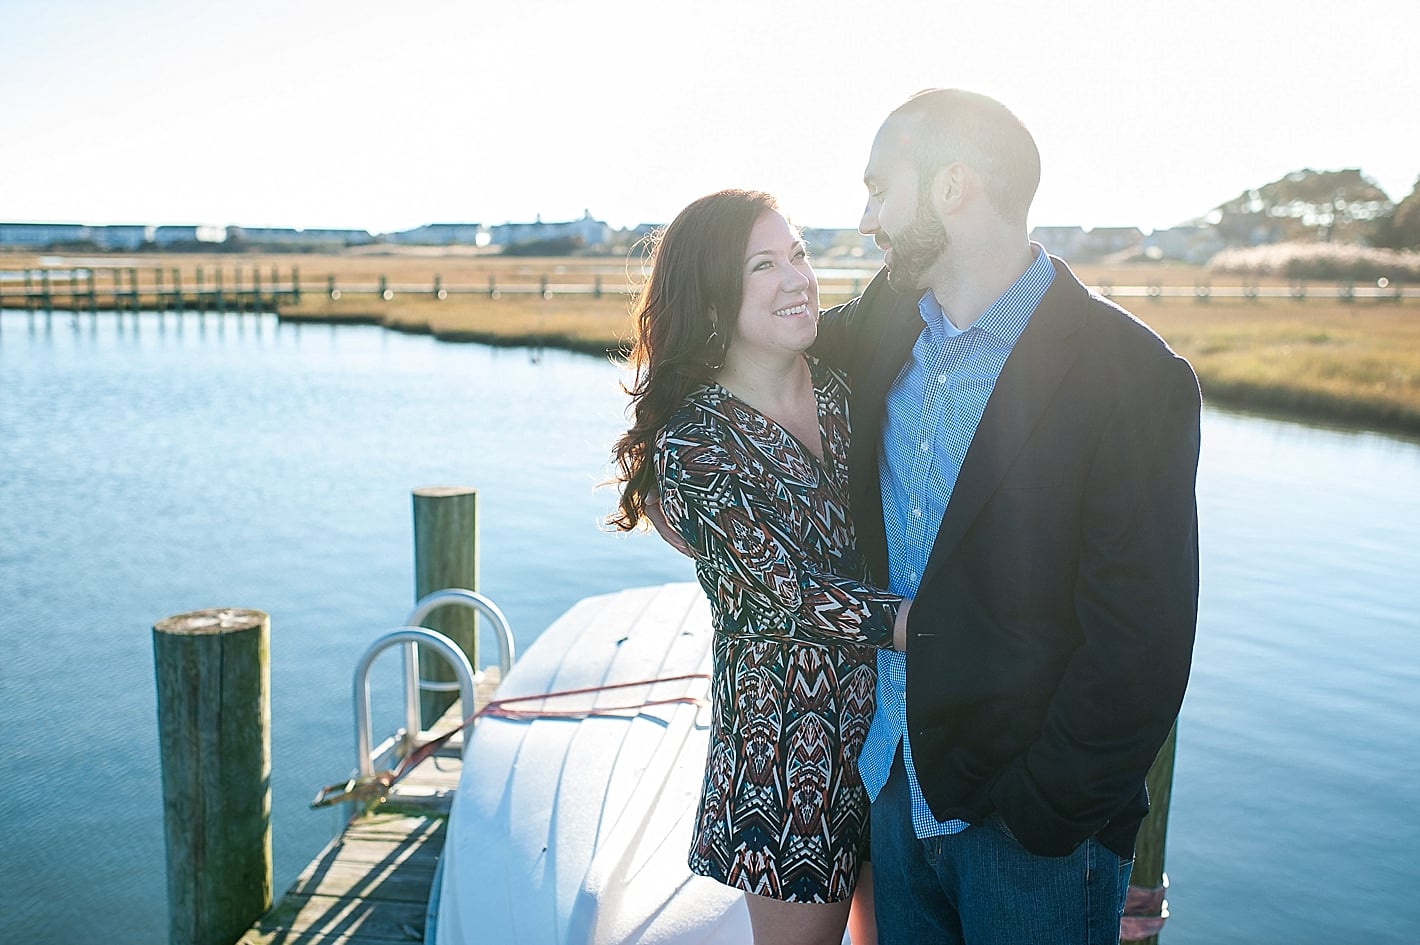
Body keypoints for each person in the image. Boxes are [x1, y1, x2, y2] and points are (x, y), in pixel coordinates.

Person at [808, 88, 1203, 944]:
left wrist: (1044, 812)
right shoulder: (881, 323)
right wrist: (669, 465)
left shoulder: (1135, 376)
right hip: (893, 789)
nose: (867, 216)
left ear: (953, 187)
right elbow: (760, 349)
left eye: (881, 188)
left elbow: (1144, 640)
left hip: (1032, 839)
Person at [609, 188, 910, 945]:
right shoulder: (695, 444)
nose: (797, 277)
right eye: (763, 265)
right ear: (713, 297)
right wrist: (931, 624)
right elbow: (790, 593)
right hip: (786, 759)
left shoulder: (851, 393)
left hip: (895, 737)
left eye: (800, 254)